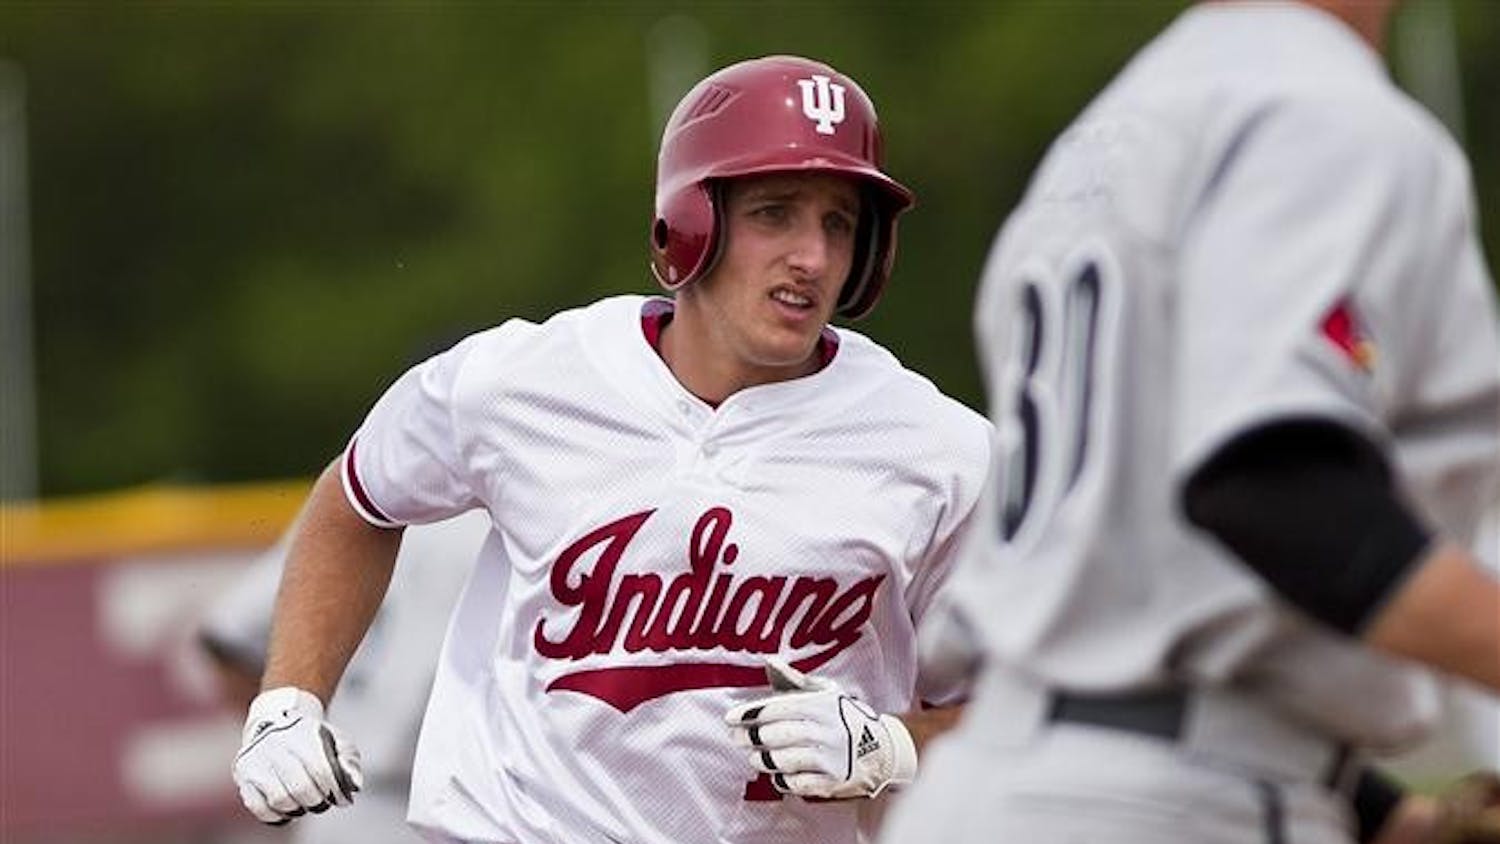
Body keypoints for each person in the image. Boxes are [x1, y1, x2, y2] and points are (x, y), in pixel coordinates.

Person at [229, 55, 992, 844]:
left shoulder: (941, 452)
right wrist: (289, 699)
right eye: (776, 212)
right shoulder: (520, 381)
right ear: (693, 224)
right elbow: (361, 496)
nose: (814, 256)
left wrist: (895, 745)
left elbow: (1020, 707)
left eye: (841, 223)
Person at [879, 2, 1500, 844]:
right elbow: (1272, 485)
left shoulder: (1109, 133)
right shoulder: (1326, 113)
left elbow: (1158, 593)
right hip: (1178, 806)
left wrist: (1396, 820)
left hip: (1013, 787)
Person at [200, 510, 487, 844]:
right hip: (426, 800)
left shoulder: (353, 507)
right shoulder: (509, 519)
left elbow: (228, 637)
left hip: (350, 804)